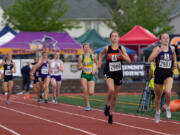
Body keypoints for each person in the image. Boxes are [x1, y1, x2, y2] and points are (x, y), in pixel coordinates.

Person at [98, 32, 131, 124]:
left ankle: (111, 114)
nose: (114, 38)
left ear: (119, 38)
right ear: (110, 39)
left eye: (116, 36)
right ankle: (107, 106)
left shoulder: (122, 48)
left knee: (115, 96)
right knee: (111, 90)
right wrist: (100, 60)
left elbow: (129, 61)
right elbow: (100, 54)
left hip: (118, 74)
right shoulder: (107, 48)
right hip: (108, 72)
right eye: (113, 36)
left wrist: (123, 55)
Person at [148, 33, 177, 123]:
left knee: (168, 92)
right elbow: (149, 59)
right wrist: (157, 53)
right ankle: (157, 112)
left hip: (168, 73)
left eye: (167, 38)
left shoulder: (172, 48)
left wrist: (175, 62)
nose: (166, 39)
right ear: (160, 40)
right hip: (159, 74)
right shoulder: (156, 48)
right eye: (164, 38)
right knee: (158, 96)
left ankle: (167, 107)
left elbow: (174, 55)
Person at [78, 43, 98, 111]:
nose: (86, 49)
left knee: (91, 92)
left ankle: (87, 97)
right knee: (85, 89)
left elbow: (97, 64)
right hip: (84, 75)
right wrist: (81, 67)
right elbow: (79, 67)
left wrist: (94, 70)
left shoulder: (93, 56)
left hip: (91, 75)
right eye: (85, 47)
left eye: (87, 47)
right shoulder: (81, 57)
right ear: (83, 49)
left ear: (89, 48)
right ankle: (88, 105)